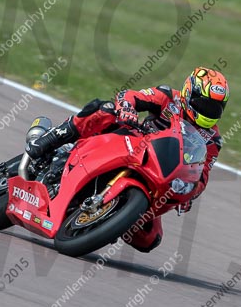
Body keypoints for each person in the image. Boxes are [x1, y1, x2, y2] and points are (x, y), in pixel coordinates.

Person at [26, 67, 229, 252]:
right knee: (104, 110)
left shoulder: (213, 139)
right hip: (131, 141)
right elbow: (131, 96)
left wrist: (191, 191)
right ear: (189, 93)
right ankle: (49, 139)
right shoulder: (169, 97)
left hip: (158, 173)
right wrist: (127, 108)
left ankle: (107, 217)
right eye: (204, 104)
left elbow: (202, 174)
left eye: (215, 108)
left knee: (150, 239)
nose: (208, 111)